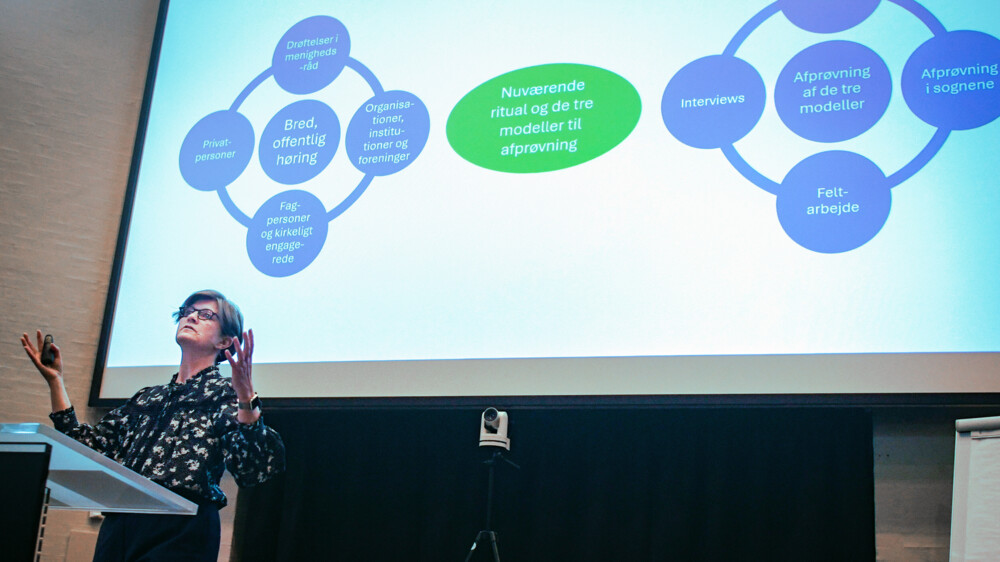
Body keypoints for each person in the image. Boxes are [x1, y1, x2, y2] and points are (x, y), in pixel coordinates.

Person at [21, 290, 285, 561]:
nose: (191, 317)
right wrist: (56, 381)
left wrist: (246, 398)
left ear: (225, 341)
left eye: (206, 315)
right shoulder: (148, 397)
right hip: (122, 523)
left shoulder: (225, 394)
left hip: (182, 527)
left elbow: (253, 468)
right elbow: (87, 447)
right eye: (187, 312)